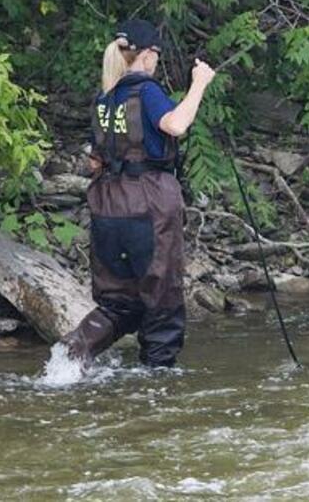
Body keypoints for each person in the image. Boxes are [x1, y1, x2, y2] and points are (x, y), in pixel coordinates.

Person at [61, 19, 215, 367]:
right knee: (162, 300)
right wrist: (199, 84)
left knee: (120, 303)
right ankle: (158, 384)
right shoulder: (146, 91)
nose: (156, 62)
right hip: (148, 204)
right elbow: (176, 124)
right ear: (146, 55)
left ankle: (67, 359)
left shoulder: (105, 98)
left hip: (107, 204)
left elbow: (96, 160)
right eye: (156, 55)